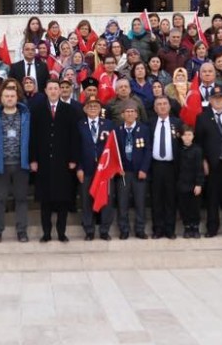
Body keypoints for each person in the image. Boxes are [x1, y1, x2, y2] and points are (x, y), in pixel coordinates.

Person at [30, 77, 80, 243]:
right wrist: (33, 159)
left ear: (60, 91)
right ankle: (46, 233)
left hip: (63, 161)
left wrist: (74, 158)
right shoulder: (37, 109)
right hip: (43, 161)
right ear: (45, 91)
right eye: (50, 88)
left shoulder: (69, 110)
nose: (53, 91)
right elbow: (33, 137)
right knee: (45, 200)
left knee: (63, 199)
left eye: (55, 88)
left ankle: (61, 232)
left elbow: (74, 136)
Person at [194, 86, 222, 237]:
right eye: (215, 98)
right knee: (212, 198)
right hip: (212, 164)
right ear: (210, 101)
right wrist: (203, 161)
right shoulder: (202, 117)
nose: (218, 100)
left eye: (220, 98)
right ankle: (212, 228)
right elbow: (199, 143)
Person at [0, 83, 31, 243]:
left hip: (21, 164)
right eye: (6, 96)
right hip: (1, 164)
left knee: (21, 198)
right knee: (0, 199)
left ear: (17, 97)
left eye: (12, 96)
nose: (9, 98)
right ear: (1, 98)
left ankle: (22, 231)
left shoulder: (25, 115)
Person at [74, 93, 117, 240]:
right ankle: (89, 230)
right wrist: (78, 167)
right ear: (85, 109)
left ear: (100, 109)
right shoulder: (79, 125)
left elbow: (114, 148)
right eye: (90, 106)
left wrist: (112, 168)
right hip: (86, 169)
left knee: (106, 200)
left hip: (104, 171)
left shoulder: (109, 125)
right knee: (86, 200)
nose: (93, 108)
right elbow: (76, 148)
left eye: (96, 106)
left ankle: (104, 230)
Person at [113, 101, 151, 240]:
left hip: (138, 172)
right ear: (122, 115)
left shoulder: (144, 129)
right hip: (123, 173)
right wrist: (117, 168)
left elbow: (148, 151)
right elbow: (113, 151)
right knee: (122, 202)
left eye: (132, 111)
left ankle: (140, 229)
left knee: (140, 202)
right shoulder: (117, 130)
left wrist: (144, 169)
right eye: (127, 111)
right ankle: (124, 229)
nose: (129, 114)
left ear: (136, 114)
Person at [146, 96, 182, 239]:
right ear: (155, 108)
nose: (162, 106)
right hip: (155, 166)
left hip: (172, 167)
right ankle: (158, 229)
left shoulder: (177, 123)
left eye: (164, 104)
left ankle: (170, 229)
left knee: (170, 199)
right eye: (159, 104)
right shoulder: (150, 123)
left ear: (169, 106)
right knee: (156, 199)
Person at [174, 125, 204, 237]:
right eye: (184, 135)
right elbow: (176, 167)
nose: (187, 137)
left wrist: (199, 184)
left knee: (194, 207)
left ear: (193, 136)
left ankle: (195, 227)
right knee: (184, 207)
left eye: (189, 135)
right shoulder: (178, 150)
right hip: (182, 183)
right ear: (181, 136)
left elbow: (199, 169)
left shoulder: (197, 150)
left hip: (194, 185)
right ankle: (187, 227)